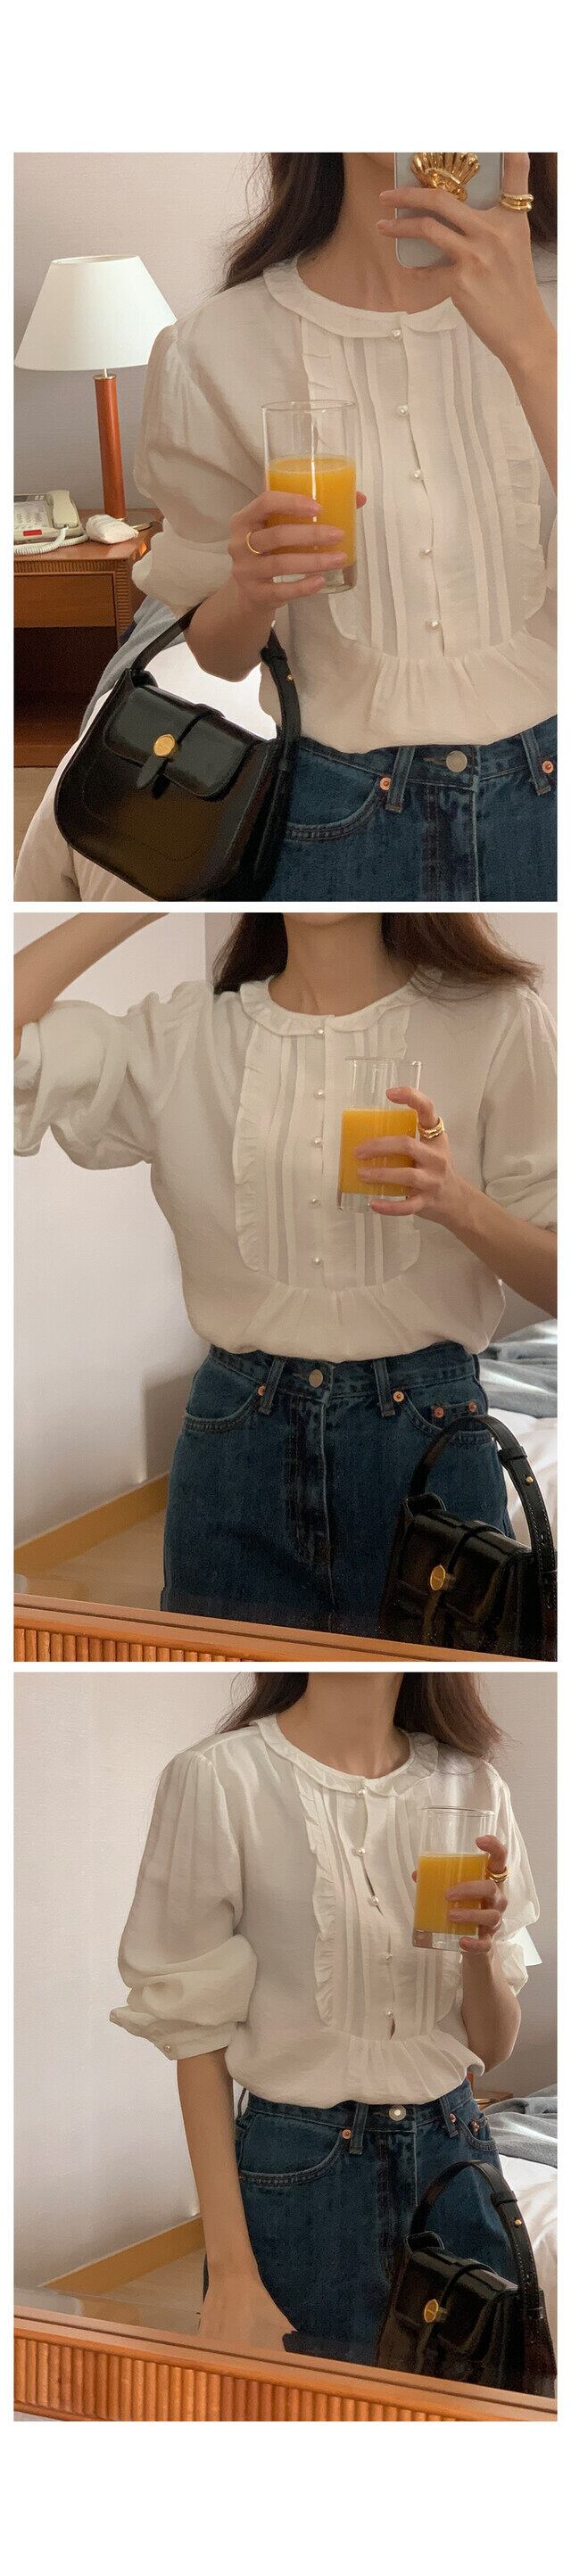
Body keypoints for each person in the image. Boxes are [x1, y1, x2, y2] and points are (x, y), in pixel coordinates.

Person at [14, 153, 556, 906]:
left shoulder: (550, 312)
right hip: (329, 805)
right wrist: (250, 587)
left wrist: (533, 349)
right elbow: (218, 659)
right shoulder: (215, 345)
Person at [14, 908, 557, 1641]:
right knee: (220, 1669)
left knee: (432, 1680)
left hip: (428, 1448)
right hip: (234, 1447)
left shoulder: (498, 1021)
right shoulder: (188, 1034)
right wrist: (151, 893)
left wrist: (458, 1204)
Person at [111, 1669, 541, 2369]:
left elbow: (491, 2047)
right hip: (300, 2173)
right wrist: (231, 2269)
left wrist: (481, 1952)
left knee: (465, 2417)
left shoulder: (474, 1787)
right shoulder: (222, 1779)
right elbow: (196, 2037)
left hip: (456, 2159)